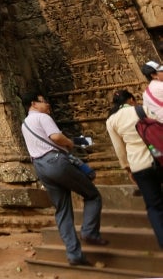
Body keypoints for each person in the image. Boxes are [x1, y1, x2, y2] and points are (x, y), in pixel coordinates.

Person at [20, 90, 106, 266]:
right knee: (92, 195)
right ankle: (89, 231)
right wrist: (70, 143)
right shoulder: (42, 117)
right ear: (33, 104)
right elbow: (56, 137)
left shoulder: (25, 123)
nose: (47, 104)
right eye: (44, 100)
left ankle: (74, 254)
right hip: (56, 162)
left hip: (40, 167)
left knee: (62, 209)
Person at [105, 89, 163, 247]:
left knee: (153, 206)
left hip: (138, 165)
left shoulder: (111, 121)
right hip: (157, 158)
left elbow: (119, 149)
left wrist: (127, 169)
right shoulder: (141, 109)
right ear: (131, 99)